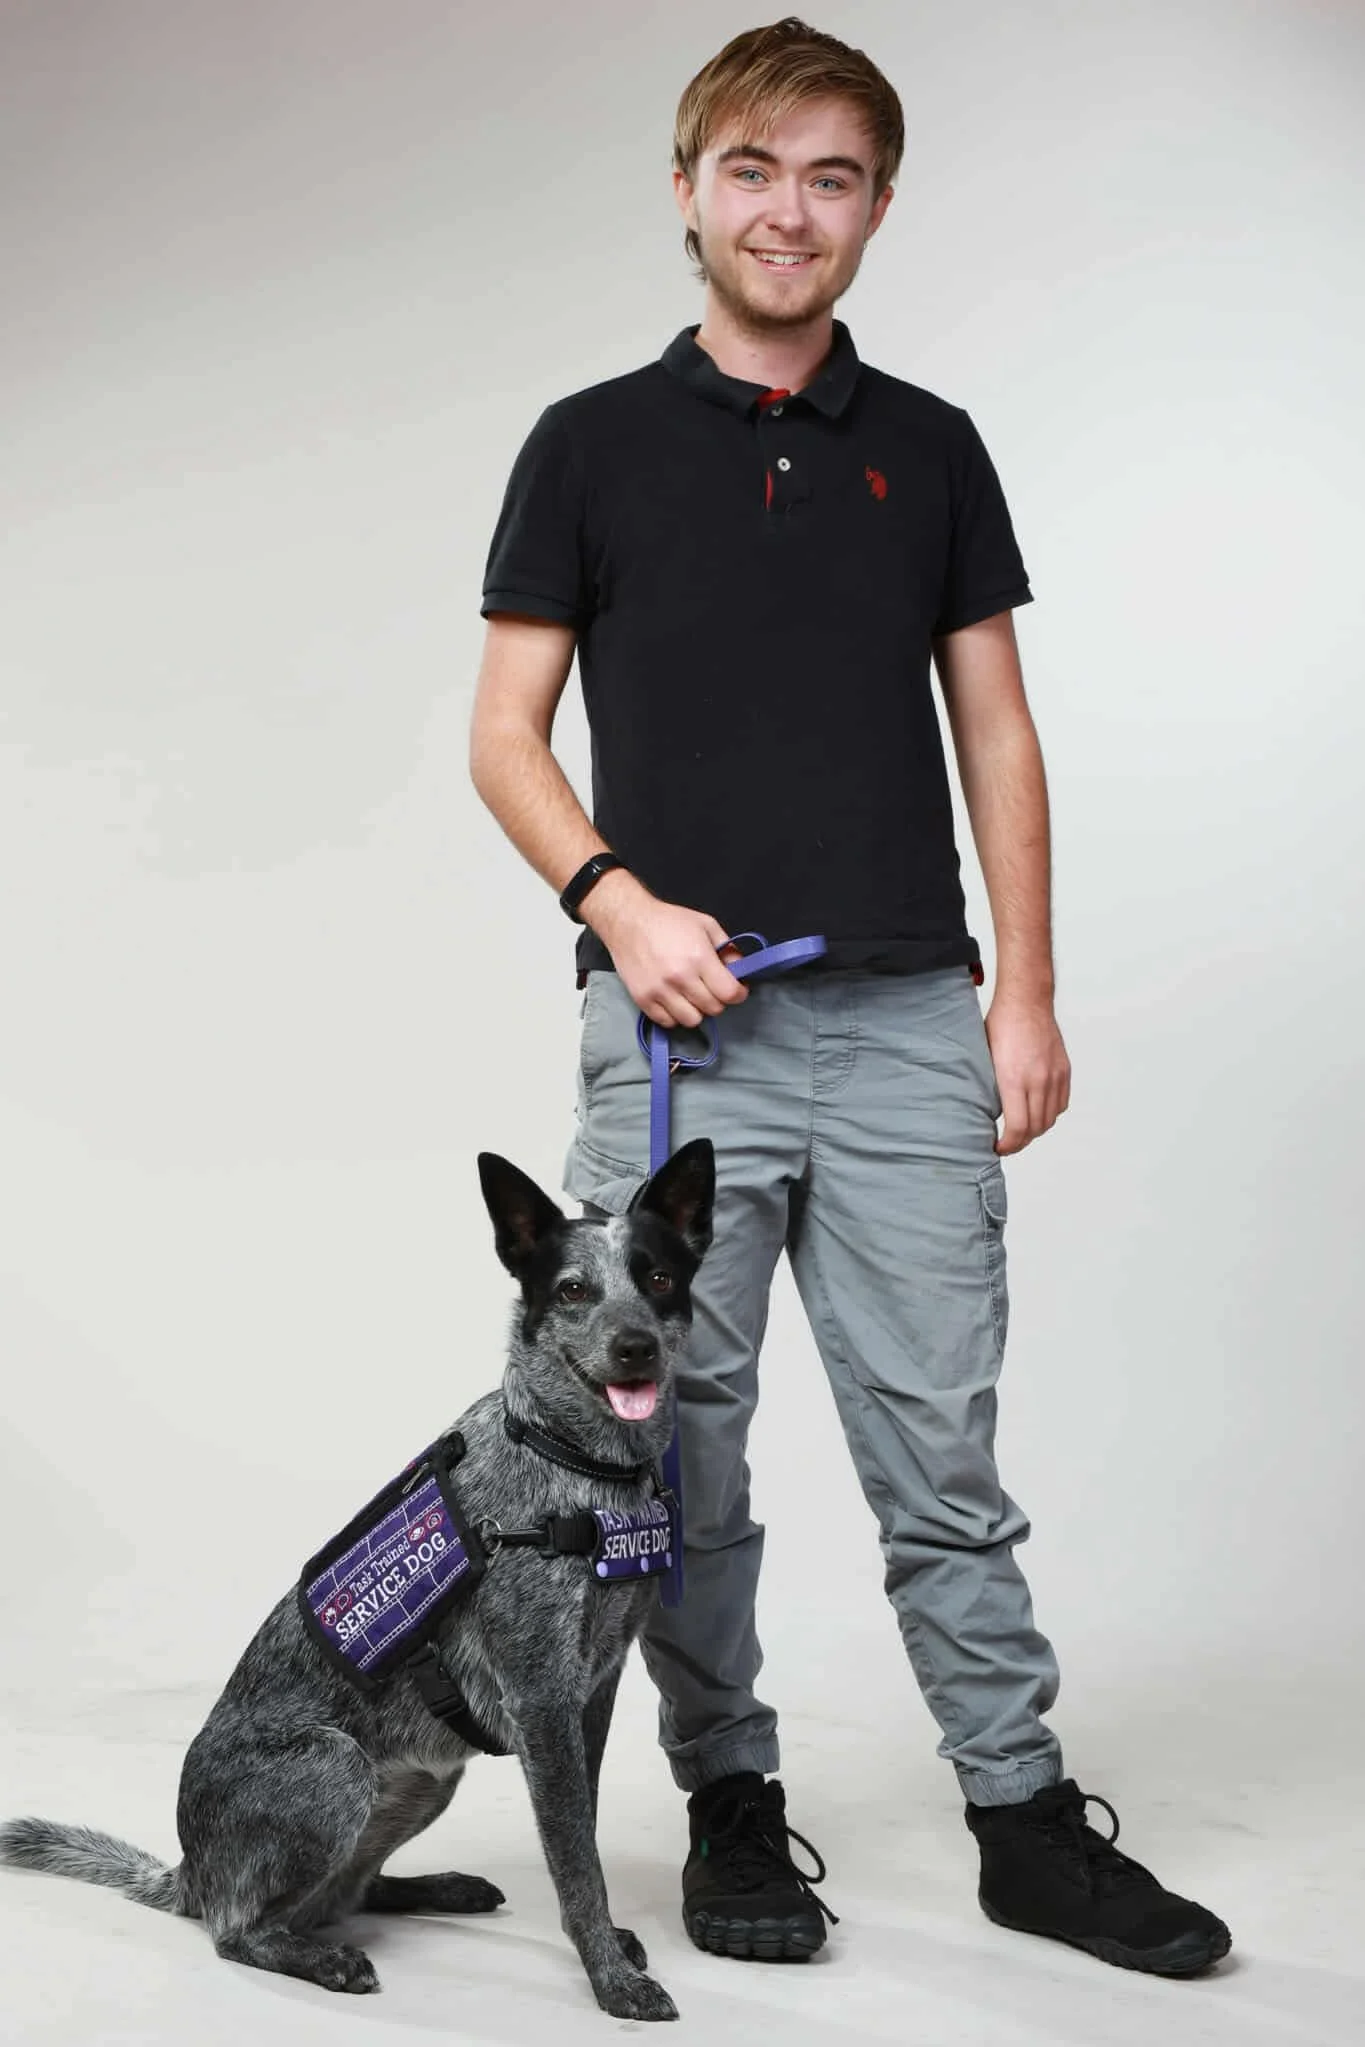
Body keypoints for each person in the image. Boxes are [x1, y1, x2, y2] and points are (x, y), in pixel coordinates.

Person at [469, 15, 1230, 1982]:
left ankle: (1020, 1820)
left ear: (875, 206)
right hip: (674, 1045)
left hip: (903, 1021)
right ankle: (728, 1800)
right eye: (750, 168)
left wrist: (1025, 993)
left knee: (937, 1449)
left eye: (828, 175)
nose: (786, 209)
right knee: (671, 1451)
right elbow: (501, 734)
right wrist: (615, 899)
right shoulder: (588, 446)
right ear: (685, 189)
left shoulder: (931, 448)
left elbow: (998, 731)